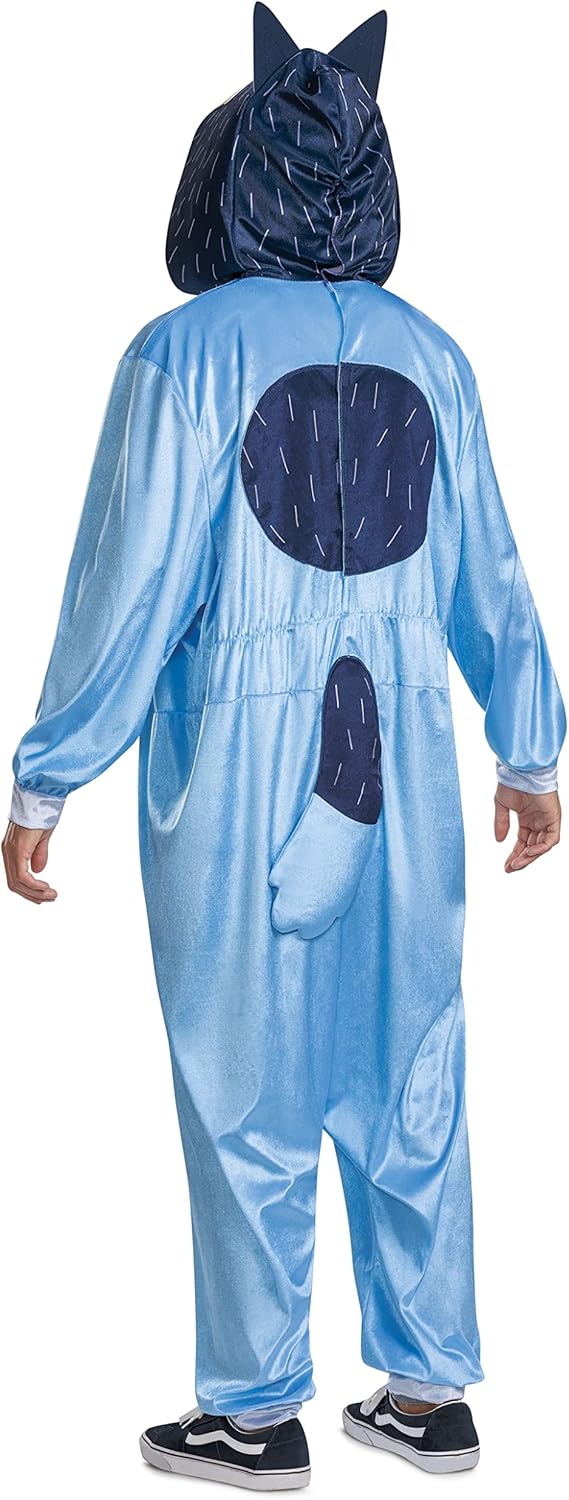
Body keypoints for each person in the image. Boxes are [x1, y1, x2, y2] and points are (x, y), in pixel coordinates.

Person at [3, 4, 565, 1486]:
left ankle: (255, 1415)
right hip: (411, 764)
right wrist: (528, 752)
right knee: (411, 1058)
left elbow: (124, 586)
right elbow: (493, 576)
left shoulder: (180, 356)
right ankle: (429, 1394)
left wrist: (50, 770)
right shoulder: (435, 354)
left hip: (241, 771)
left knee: (244, 1076)